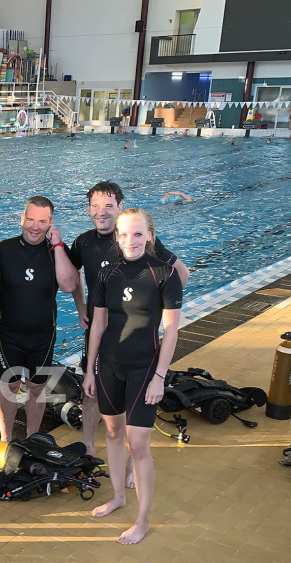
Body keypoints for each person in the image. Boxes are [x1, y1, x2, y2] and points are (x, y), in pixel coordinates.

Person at [68, 182, 189, 460]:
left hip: (137, 338)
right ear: (88, 210)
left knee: (137, 397)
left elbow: (180, 273)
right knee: (92, 391)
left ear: (119, 208)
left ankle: (134, 462)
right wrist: (80, 305)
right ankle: (88, 446)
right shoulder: (83, 242)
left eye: (108, 205)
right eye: (96, 206)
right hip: (101, 332)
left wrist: (158, 304)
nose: (101, 211)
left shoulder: (138, 238)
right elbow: (71, 277)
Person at [83, 208, 182, 545]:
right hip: (109, 365)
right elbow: (98, 324)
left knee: (138, 445)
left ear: (150, 235)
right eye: (124, 234)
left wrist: (159, 377)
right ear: (117, 236)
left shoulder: (163, 273)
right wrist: (90, 370)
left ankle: (142, 520)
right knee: (112, 432)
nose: (131, 240)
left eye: (138, 233)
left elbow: (171, 330)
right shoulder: (107, 273)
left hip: (144, 369)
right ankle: (117, 497)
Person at [0, 197, 79, 443]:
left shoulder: (58, 251)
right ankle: (6, 440)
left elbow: (69, 285)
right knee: (8, 387)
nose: (35, 226)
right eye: (30, 219)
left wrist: (58, 245)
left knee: (37, 387)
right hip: (8, 335)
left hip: (43, 337)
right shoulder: (3, 249)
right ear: (22, 219)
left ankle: (32, 439)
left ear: (51, 223)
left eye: (42, 221)